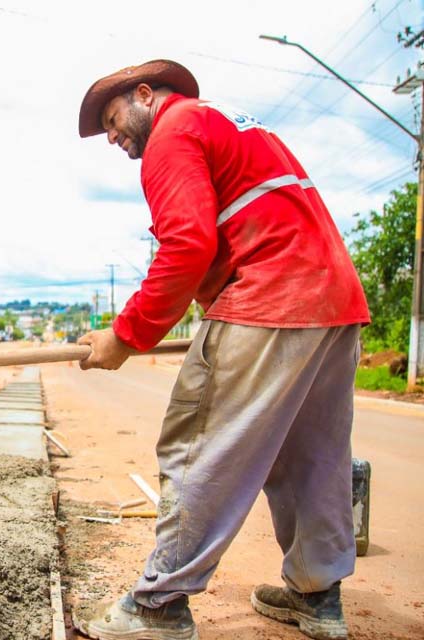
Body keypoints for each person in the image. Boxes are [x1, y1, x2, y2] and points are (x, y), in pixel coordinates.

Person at [73, 60, 370, 640]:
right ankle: (317, 597)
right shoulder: (232, 125)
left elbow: (186, 244)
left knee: (198, 445)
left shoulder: (173, 130)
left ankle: (159, 606)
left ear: (144, 95)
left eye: (112, 120)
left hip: (269, 298)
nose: (112, 137)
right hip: (333, 303)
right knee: (311, 457)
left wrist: (126, 335)